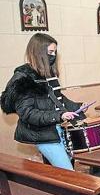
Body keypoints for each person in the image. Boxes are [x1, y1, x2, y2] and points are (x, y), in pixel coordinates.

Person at [1, 33, 87, 170]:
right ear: (38, 53)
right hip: (42, 134)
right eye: (50, 52)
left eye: (55, 52)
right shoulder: (24, 78)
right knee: (69, 173)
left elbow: (58, 99)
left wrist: (77, 107)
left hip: (57, 128)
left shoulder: (49, 74)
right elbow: (28, 113)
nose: (53, 56)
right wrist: (58, 115)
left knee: (64, 172)